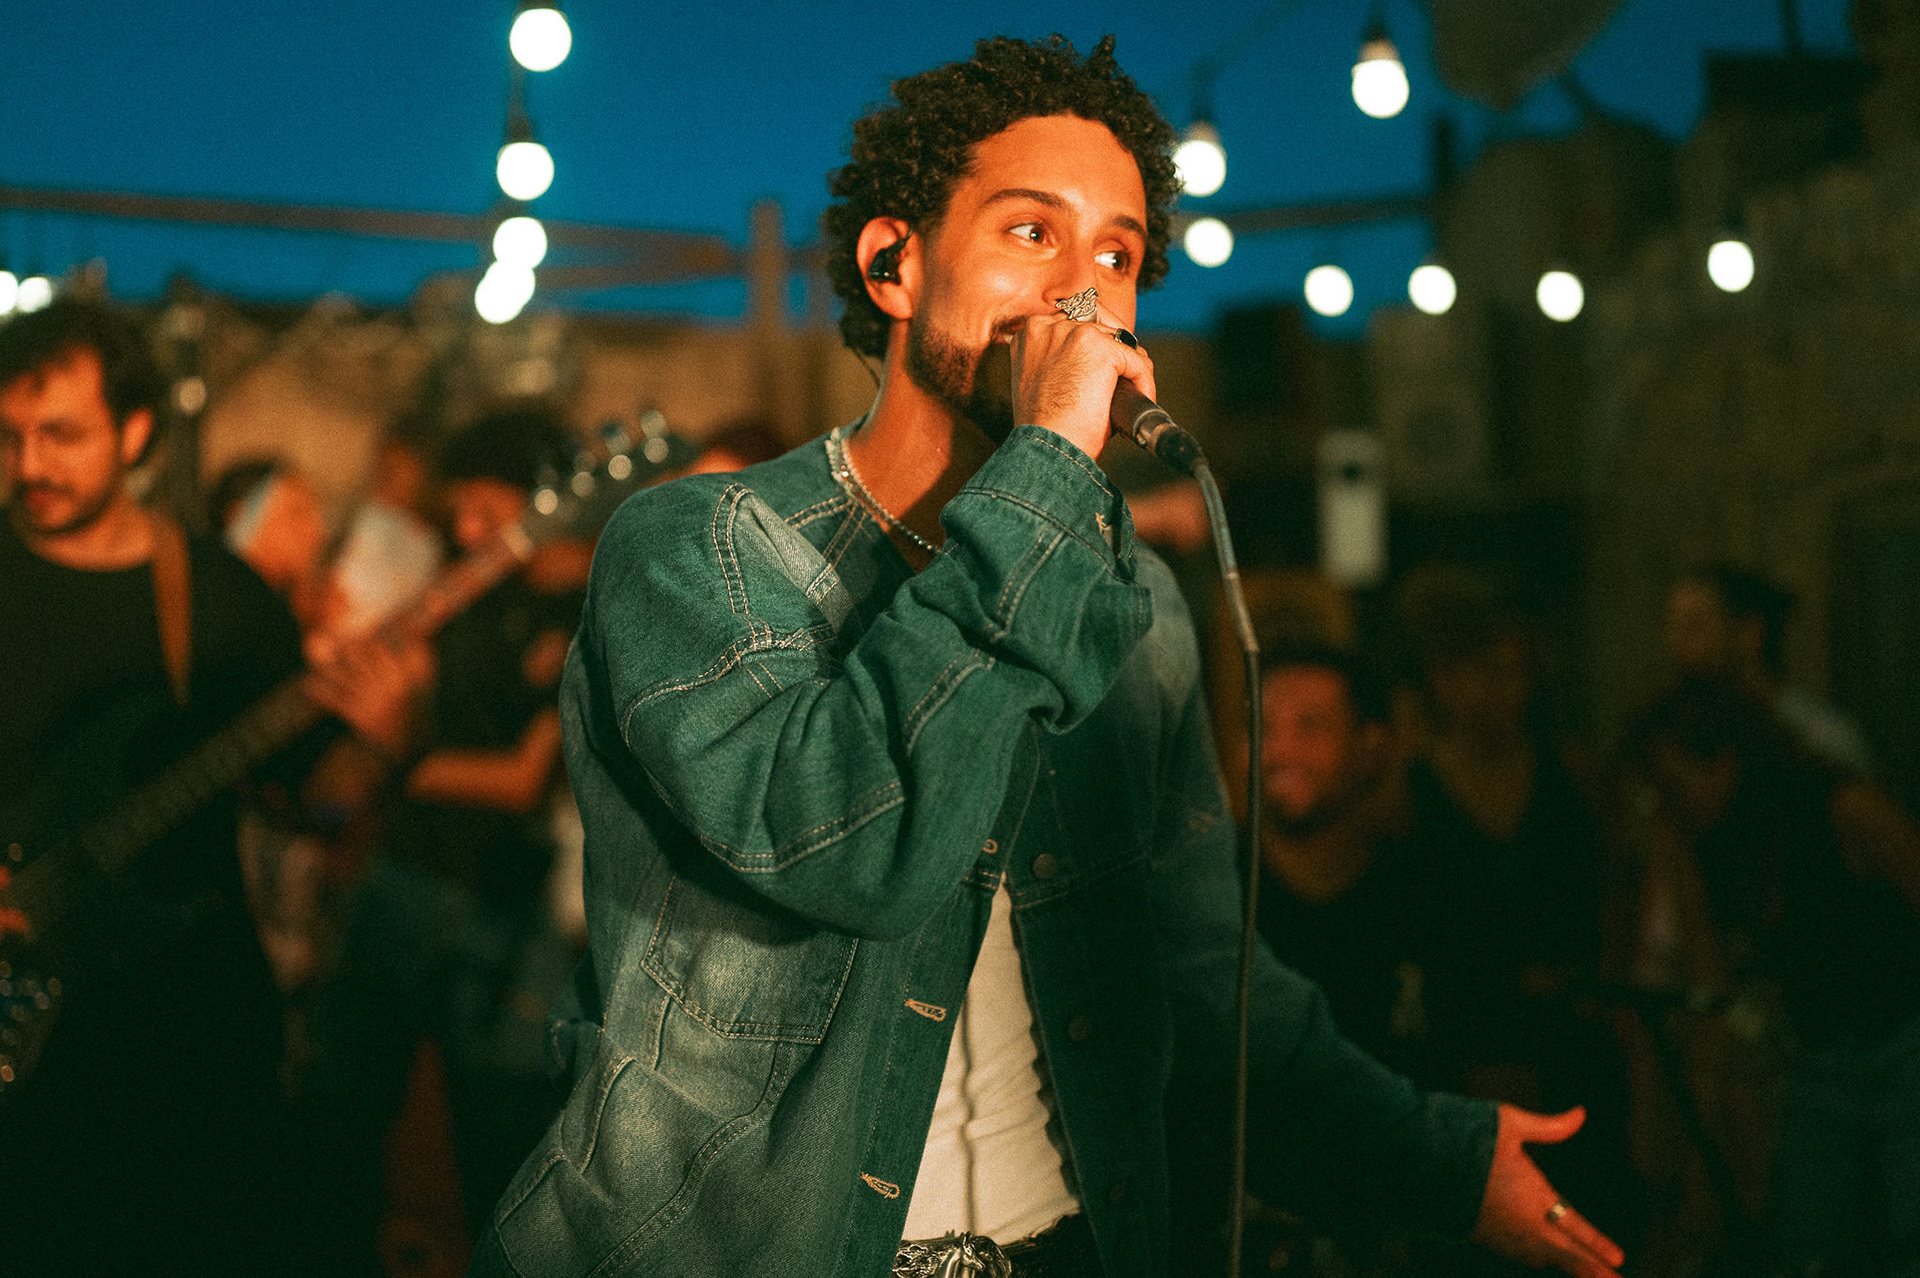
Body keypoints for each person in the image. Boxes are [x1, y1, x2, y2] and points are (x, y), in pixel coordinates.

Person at [470, 36, 1623, 1278]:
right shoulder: (699, 550)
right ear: (895, 264)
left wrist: (1440, 1161)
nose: (1083, 297)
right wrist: (1053, 468)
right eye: (1032, 233)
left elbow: (1200, 980)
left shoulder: (1130, 604)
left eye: (1117, 256)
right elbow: (852, 842)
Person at [0, 297, 428, 1276]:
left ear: (135, 431)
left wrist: (384, 745)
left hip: (182, 1032)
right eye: (12, 437)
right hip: (25, 1041)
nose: (30, 465)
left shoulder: (217, 595)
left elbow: (310, 803)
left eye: (61, 435)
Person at [297, 407, 587, 1268]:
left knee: (503, 1143)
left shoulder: (581, 612)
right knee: (342, 1120)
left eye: (486, 511)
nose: (465, 531)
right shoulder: (462, 597)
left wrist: (402, 757)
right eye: (456, 510)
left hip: (502, 906)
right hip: (403, 877)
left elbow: (523, 778)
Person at [1625, 677, 1920, 1278]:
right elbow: (1711, 989)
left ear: (1726, 762)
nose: (1668, 803)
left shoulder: (1840, 808)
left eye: (1674, 783)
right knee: (1810, 1244)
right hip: (1818, 1057)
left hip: (1903, 1045)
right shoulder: (1704, 846)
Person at [1666, 563, 1873, 776]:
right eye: (1675, 628)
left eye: (1695, 627)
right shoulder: (1674, 735)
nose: (1677, 644)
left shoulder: (1821, 739)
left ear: (1749, 632)